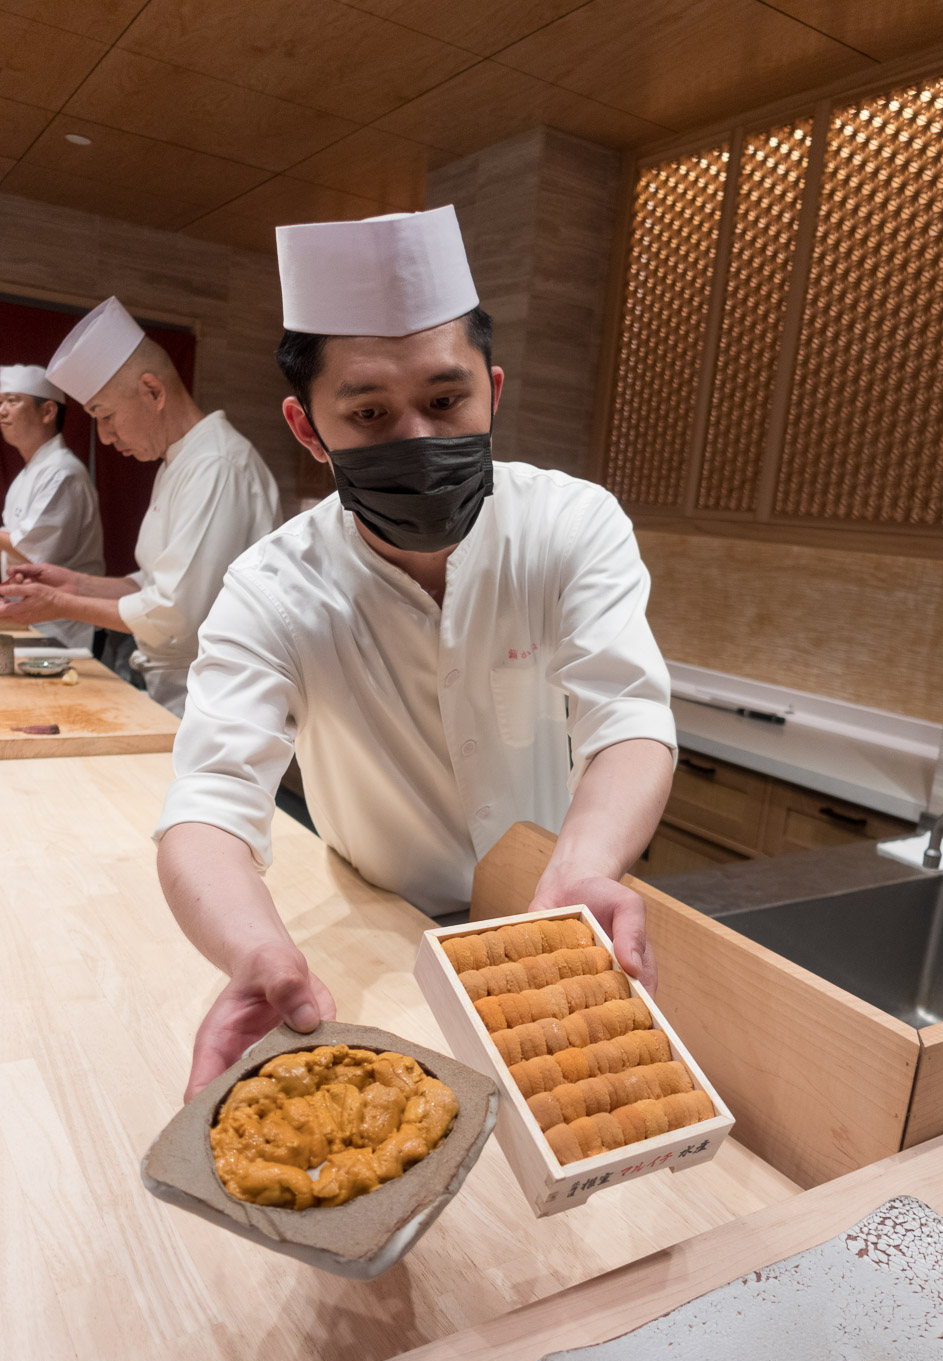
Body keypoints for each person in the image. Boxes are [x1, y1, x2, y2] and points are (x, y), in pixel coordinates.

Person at [154, 207, 679, 1099]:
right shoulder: (271, 588)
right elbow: (209, 801)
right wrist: (253, 947)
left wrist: (586, 866)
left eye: (446, 402)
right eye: (369, 413)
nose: (420, 441)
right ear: (308, 428)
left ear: (493, 391)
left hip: (548, 910)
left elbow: (626, 714)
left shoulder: (569, 524)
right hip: (374, 922)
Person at [0, 298, 282, 714]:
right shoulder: (178, 461)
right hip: (176, 689)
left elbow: (174, 611)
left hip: (215, 700)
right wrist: (73, 583)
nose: (107, 437)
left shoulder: (215, 464)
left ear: (153, 391)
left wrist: (61, 604)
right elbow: (154, 582)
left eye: (106, 415)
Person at [0, 364, 104, 650]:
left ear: (47, 411)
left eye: (12, 400)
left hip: (65, 625)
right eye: (0, 402)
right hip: (30, 614)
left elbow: (29, 547)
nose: (3, 411)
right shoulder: (28, 474)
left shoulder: (62, 472)